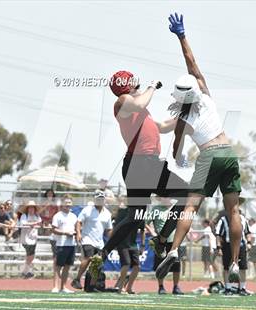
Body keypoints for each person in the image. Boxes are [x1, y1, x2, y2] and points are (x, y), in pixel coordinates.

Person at [156, 12, 243, 282]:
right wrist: (182, 35)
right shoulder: (205, 94)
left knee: (190, 207)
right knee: (233, 211)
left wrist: (178, 157)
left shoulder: (182, 118)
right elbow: (191, 62)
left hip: (208, 156)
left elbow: (172, 144)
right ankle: (236, 263)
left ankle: (173, 249)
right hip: (228, 152)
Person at [89, 57, 189, 275]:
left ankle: (102, 254)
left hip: (139, 165)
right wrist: (153, 86)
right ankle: (162, 239)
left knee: (136, 217)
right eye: (133, 81)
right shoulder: (124, 101)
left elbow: (162, 127)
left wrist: (183, 114)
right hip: (144, 164)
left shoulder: (138, 109)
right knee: (189, 194)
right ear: (126, 86)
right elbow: (142, 102)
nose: (138, 83)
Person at [72, 190, 113, 291]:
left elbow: (109, 230)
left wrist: (113, 239)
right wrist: (78, 233)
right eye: (97, 199)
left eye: (101, 199)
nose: (99, 201)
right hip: (87, 239)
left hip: (100, 243)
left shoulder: (107, 213)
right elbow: (78, 222)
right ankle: (77, 279)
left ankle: (92, 286)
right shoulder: (87, 210)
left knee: (98, 263)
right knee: (89, 258)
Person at [146, 196, 184, 295]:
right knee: (160, 266)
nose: (166, 199)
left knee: (176, 265)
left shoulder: (176, 209)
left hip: (175, 242)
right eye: (164, 197)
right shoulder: (156, 209)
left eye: (168, 197)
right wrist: (153, 232)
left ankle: (176, 287)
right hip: (161, 243)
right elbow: (145, 222)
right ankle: (161, 287)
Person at [215, 211, 251, 296]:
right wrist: (219, 247)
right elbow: (218, 234)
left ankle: (242, 288)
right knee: (227, 267)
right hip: (228, 245)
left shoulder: (243, 218)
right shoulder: (223, 219)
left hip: (241, 244)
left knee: (242, 267)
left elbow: (247, 232)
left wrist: (249, 243)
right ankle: (228, 288)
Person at [114, 196, 145, 294]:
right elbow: (116, 227)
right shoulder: (122, 212)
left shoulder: (140, 214)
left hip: (133, 244)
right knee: (126, 264)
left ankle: (129, 288)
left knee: (137, 267)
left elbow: (143, 230)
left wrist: (143, 245)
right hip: (122, 243)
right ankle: (120, 287)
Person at [51, 196, 78, 293]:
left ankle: (63, 287)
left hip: (71, 244)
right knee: (58, 266)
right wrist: (65, 233)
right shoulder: (58, 215)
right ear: (62, 204)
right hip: (61, 244)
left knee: (67, 266)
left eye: (70, 202)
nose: (68, 204)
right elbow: (53, 229)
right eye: (66, 202)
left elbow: (77, 229)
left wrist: (75, 233)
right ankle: (55, 287)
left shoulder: (74, 216)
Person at [40, 189, 60, 291]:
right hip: (44, 223)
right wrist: (45, 206)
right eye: (48, 194)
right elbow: (39, 213)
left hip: (52, 224)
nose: (50, 195)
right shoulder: (43, 203)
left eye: (51, 194)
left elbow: (57, 214)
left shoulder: (56, 204)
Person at [18, 200, 42, 279]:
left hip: (33, 238)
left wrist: (35, 224)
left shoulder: (37, 216)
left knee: (31, 256)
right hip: (25, 238)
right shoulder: (24, 216)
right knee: (29, 255)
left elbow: (40, 223)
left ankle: (25, 272)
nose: (31, 209)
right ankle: (26, 272)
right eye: (30, 208)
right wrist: (33, 224)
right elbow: (23, 223)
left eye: (33, 208)